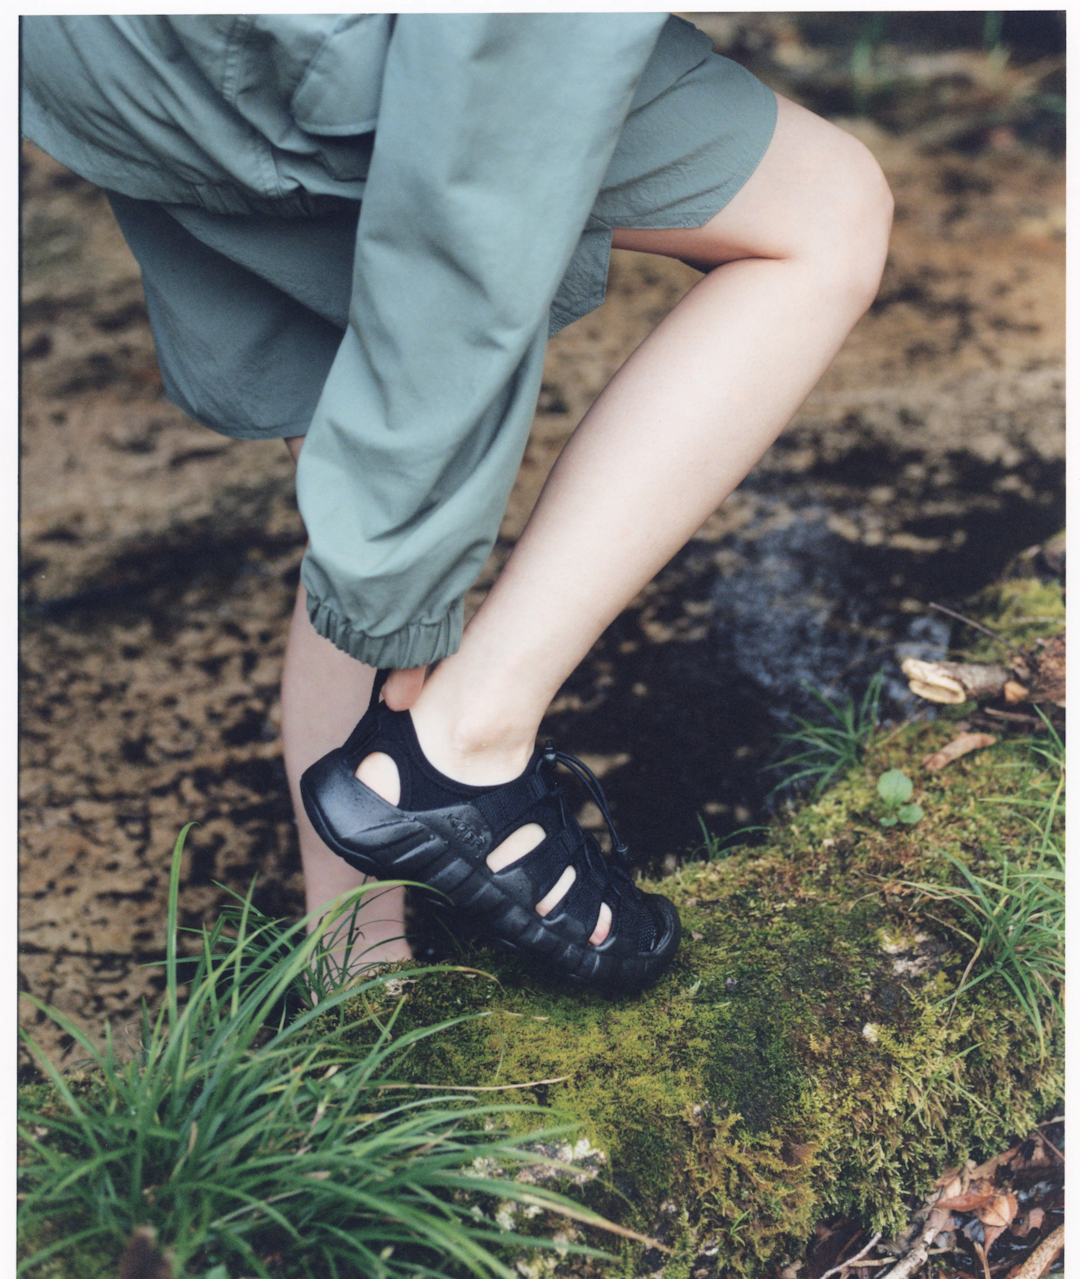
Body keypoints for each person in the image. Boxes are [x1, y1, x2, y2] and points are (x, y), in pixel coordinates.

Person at [22, 14, 892, 991]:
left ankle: (353, 977)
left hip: (104, 53)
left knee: (356, 419)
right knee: (825, 212)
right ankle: (463, 748)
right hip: (314, 52)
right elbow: (479, 168)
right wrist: (417, 582)